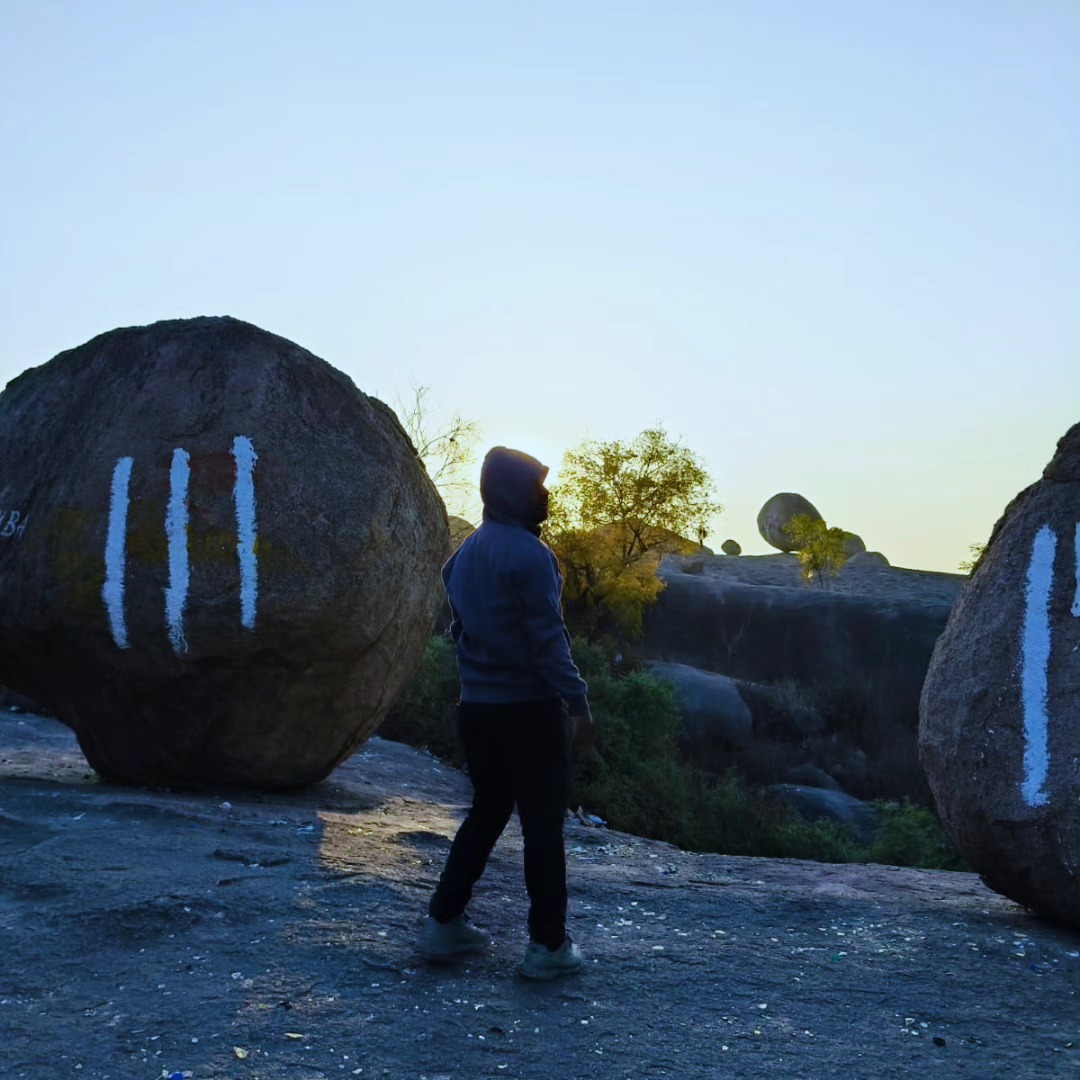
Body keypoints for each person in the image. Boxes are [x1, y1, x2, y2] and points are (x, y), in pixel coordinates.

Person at [418, 445, 593, 981]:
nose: (545, 495)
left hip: (477, 708)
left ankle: (443, 924)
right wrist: (579, 703)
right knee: (543, 825)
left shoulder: (465, 554)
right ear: (514, 492)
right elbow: (548, 641)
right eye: (537, 486)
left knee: (487, 811)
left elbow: (458, 613)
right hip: (528, 710)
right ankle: (547, 946)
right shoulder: (529, 555)